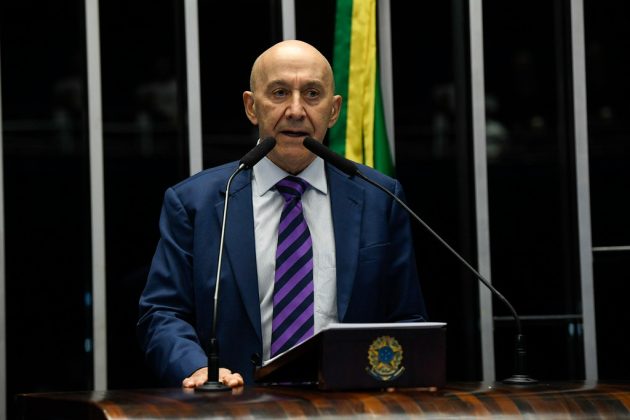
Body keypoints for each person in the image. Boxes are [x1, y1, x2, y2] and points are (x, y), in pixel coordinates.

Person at [137, 40, 427, 389]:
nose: (296, 110)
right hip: (232, 405)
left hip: (348, 405)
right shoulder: (195, 202)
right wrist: (198, 368)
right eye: (279, 93)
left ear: (334, 110)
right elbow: (162, 313)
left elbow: (407, 319)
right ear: (251, 106)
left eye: (312, 94)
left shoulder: (380, 198)